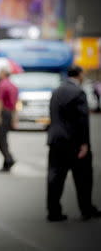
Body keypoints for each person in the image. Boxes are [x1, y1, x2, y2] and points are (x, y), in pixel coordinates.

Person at [46, 66, 101, 222]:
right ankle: (86, 208)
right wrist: (84, 144)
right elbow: (82, 121)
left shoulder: (56, 91)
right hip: (74, 142)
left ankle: (53, 211)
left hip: (56, 140)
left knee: (55, 177)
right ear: (80, 74)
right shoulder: (78, 92)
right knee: (83, 178)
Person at [0, 68, 18, 173]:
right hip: (9, 113)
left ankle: (9, 159)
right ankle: (7, 163)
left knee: (1, 141)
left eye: (0, 73)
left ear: (4, 74)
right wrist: (15, 119)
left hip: (3, 113)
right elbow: (15, 105)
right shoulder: (13, 86)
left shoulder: (2, 85)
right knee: (4, 139)